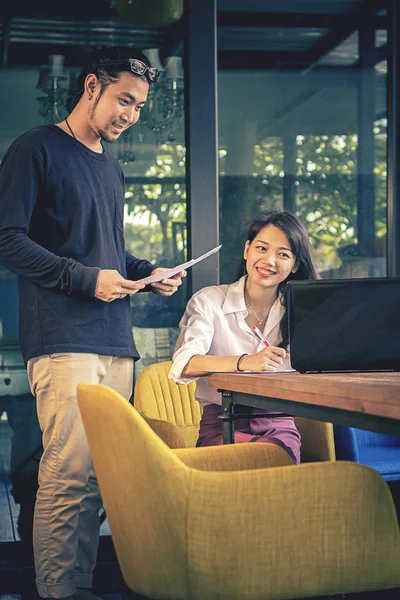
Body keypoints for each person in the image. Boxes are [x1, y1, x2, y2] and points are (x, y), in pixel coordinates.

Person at [0, 46, 185, 600]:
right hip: (62, 338)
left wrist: (147, 271)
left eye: (139, 104)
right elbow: (7, 240)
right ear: (91, 87)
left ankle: (77, 588)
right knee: (68, 475)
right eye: (124, 99)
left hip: (114, 339)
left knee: (100, 478)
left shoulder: (110, 164)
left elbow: (105, 251)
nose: (131, 113)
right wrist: (86, 280)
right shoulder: (36, 148)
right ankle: (60, 593)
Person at [169, 210, 318, 463]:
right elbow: (185, 363)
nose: (269, 260)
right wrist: (245, 361)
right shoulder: (210, 301)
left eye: (283, 254)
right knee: (263, 462)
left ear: (294, 266)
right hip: (222, 421)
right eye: (261, 248)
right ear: (247, 250)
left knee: (277, 462)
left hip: (279, 421)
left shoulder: (301, 311)